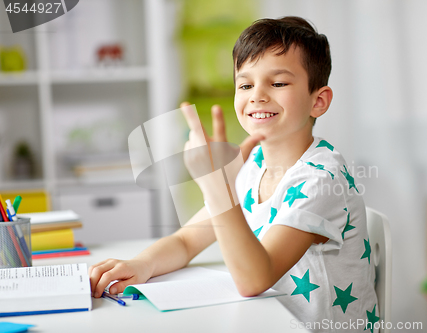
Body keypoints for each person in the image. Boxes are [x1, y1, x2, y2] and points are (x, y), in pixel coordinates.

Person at [89, 16, 378, 333]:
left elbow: (255, 279)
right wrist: (140, 265)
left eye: (278, 83)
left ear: (318, 101)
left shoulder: (321, 178)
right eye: (245, 84)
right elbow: (187, 240)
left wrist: (217, 185)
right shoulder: (253, 163)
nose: (257, 95)